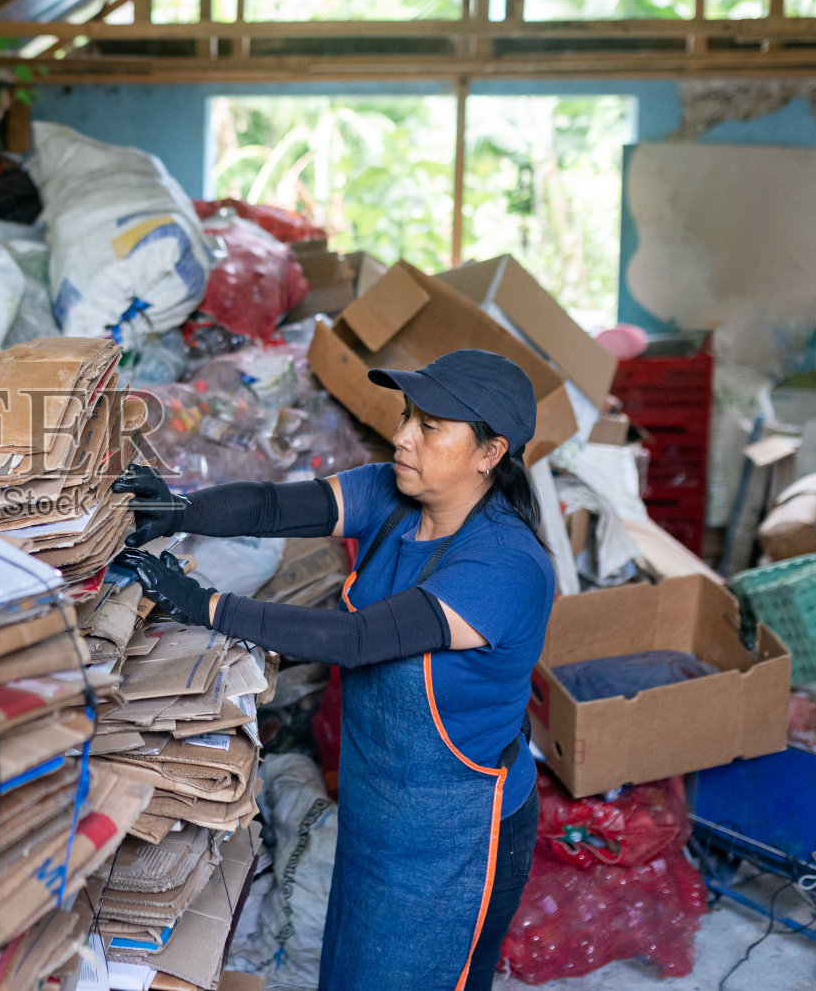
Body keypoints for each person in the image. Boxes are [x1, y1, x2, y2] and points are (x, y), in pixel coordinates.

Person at [113, 349, 553, 991]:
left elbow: (360, 639)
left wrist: (206, 606)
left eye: (430, 427)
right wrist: (178, 511)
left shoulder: (505, 566)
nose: (403, 436)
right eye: (408, 415)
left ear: (490, 453)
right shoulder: (396, 495)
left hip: (456, 836)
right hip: (376, 810)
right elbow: (272, 508)